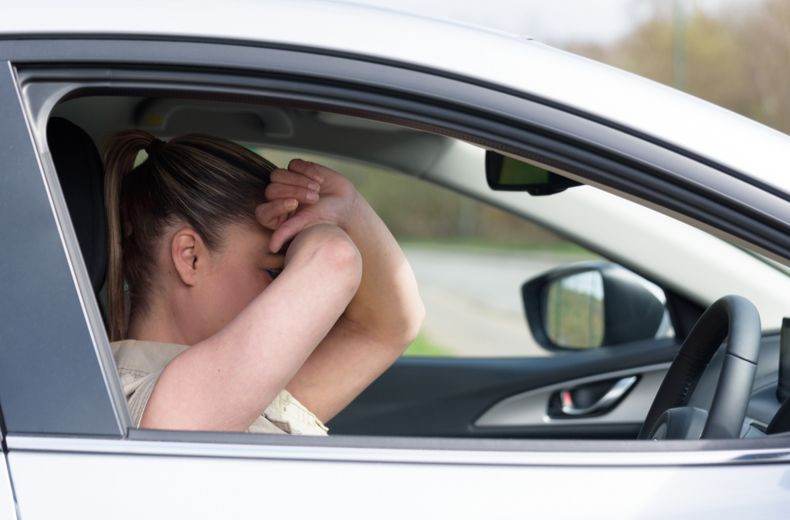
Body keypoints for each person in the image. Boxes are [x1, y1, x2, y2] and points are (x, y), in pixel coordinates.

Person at [104, 130, 425, 434]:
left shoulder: (235, 389)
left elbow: (387, 326)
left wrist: (349, 208)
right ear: (190, 257)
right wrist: (322, 227)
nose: (290, 290)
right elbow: (335, 258)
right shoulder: (141, 400)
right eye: (275, 272)